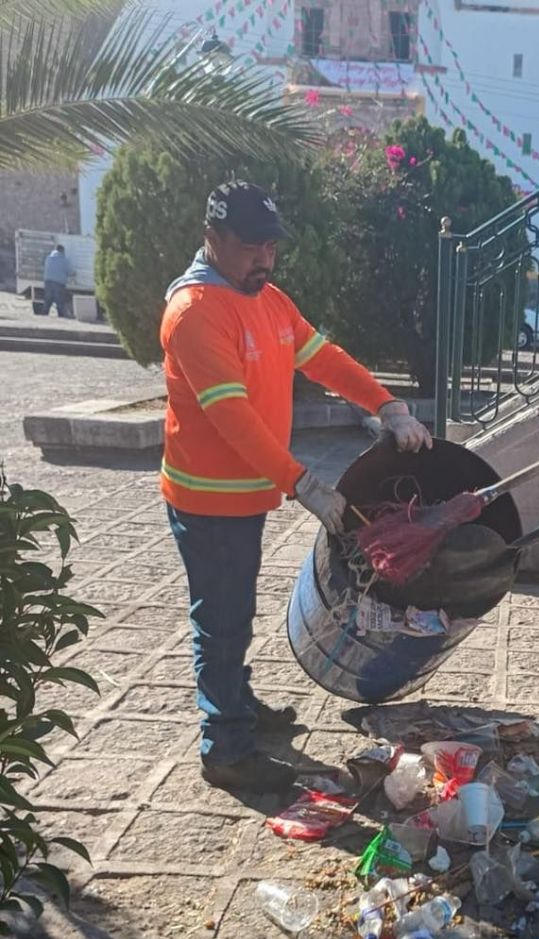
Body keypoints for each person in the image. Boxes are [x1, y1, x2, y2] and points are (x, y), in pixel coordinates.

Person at [161, 179, 431, 793]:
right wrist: (302, 483)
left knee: (234, 611)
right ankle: (225, 746)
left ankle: (236, 703)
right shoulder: (195, 312)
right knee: (220, 619)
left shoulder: (270, 300)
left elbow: (324, 358)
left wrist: (387, 405)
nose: (264, 258)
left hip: (246, 495)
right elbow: (232, 418)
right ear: (213, 238)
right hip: (208, 500)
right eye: (251, 247)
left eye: (271, 248)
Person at [42, 244, 71, 316]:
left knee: (48, 300)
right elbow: (71, 272)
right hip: (59, 283)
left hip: (48, 281)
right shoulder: (64, 260)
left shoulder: (48, 258)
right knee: (59, 301)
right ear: (62, 251)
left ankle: (44, 315)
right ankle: (61, 316)